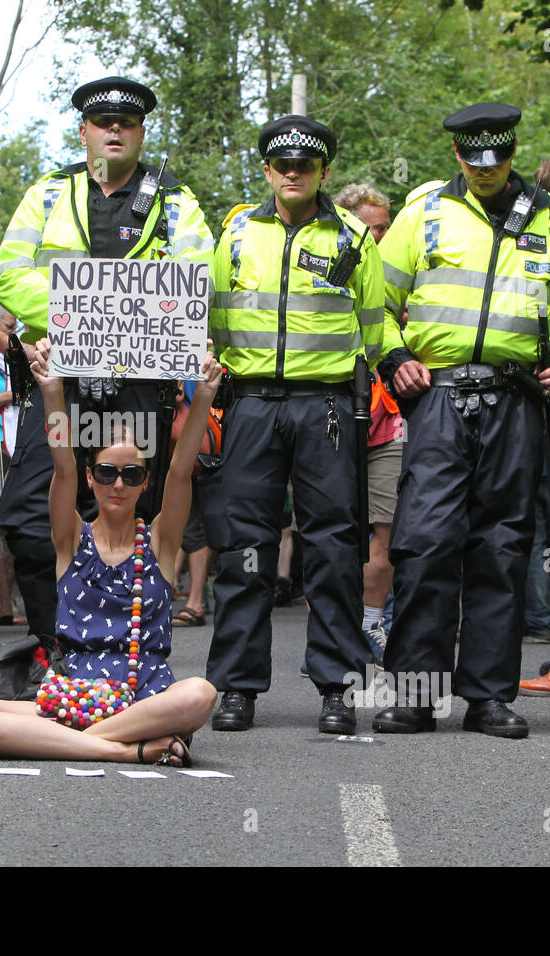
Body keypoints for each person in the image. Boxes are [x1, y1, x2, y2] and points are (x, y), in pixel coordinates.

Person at [375, 102, 550, 737]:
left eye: (496, 158)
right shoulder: (424, 215)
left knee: (501, 549)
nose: (485, 169)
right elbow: (375, 303)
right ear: (457, 156)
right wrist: (394, 356)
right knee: (423, 543)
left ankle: (488, 698)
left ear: (514, 152)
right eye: (473, 159)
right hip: (438, 399)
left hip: (516, 400)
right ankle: (416, 694)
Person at [0, 76, 214, 650]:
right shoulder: (46, 193)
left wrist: (102, 315)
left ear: (141, 132)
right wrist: (84, 317)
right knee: (26, 514)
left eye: (128, 124)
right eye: (103, 123)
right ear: (83, 130)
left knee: (132, 513)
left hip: (138, 386)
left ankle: (127, 649)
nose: (115, 132)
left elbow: (199, 279)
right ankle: (57, 645)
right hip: (62, 387)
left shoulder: (176, 199)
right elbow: (11, 273)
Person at [0, 344, 220, 764]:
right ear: (91, 478)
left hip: (143, 700)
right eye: (107, 472)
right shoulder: (71, 538)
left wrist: (202, 395)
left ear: (146, 482)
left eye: (133, 474)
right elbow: (62, 469)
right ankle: (128, 752)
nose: (119, 485)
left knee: (200, 694)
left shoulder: (160, 542)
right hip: (70, 700)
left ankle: (74, 743)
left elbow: (181, 471)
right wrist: (53, 393)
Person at [202, 115, 384, 734]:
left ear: (323, 172)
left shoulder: (356, 236)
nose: (293, 173)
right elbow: (213, 317)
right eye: (282, 164)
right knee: (242, 548)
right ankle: (236, 687)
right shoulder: (235, 233)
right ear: (267, 170)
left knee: (334, 548)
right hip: (250, 401)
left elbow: (375, 328)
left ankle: (336, 687)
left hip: (325, 405)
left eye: (306, 165)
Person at [333, 181, 401, 663]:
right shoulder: (325, 263)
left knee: (387, 529)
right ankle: (332, 630)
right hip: (333, 417)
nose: (379, 237)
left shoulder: (399, 274)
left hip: (388, 421)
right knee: (331, 531)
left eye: (385, 227)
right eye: (370, 229)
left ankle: (371, 624)